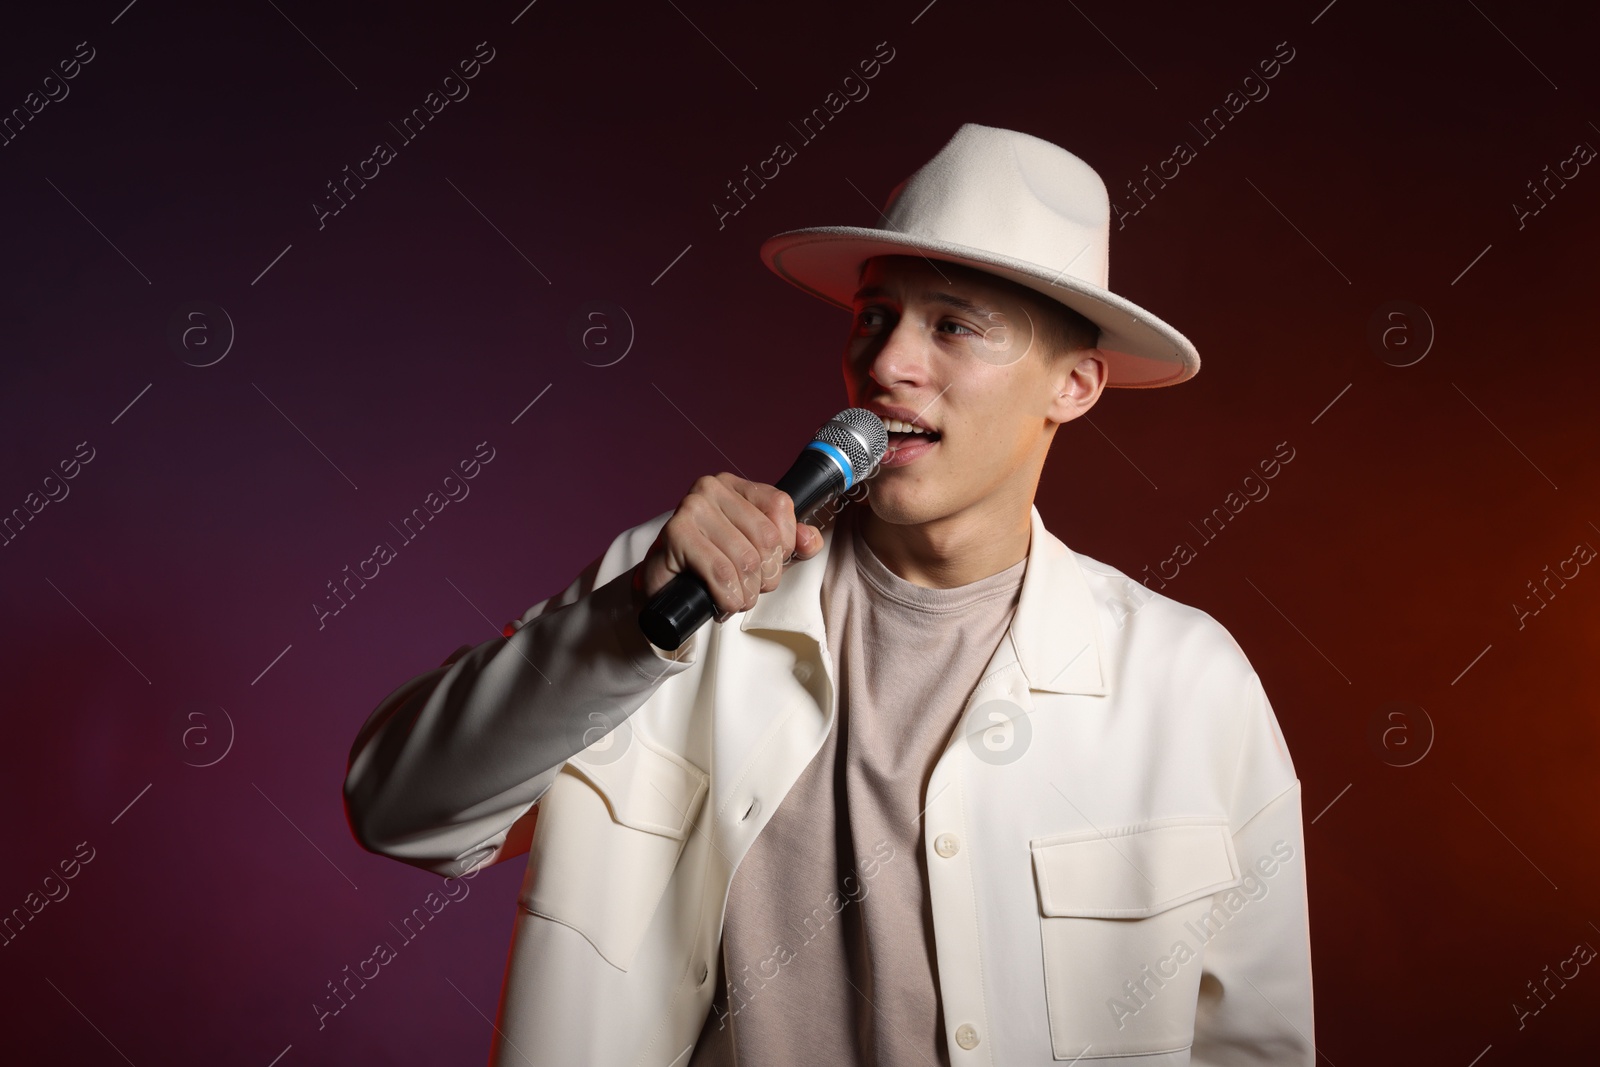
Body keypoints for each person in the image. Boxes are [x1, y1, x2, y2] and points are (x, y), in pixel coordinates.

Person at [342, 122, 1314, 1066]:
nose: (887, 364)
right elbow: (401, 808)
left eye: (954, 326)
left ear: (1075, 385)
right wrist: (625, 624)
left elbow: (1257, 1045)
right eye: (875, 316)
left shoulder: (1188, 685)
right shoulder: (669, 586)